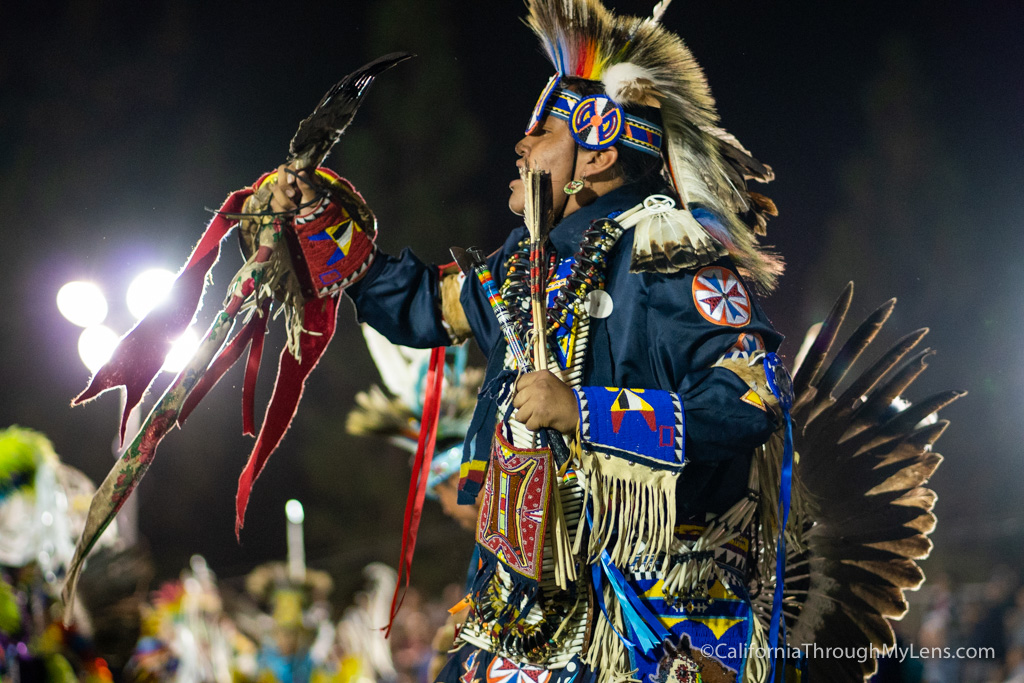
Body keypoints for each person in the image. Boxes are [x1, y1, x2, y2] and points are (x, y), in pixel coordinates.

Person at [265, 1, 788, 681]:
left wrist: (586, 410)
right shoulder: (522, 266)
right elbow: (424, 305)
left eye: (541, 132)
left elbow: (753, 396)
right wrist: (317, 221)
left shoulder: (669, 255)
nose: (521, 144)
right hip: (517, 606)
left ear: (598, 150)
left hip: (642, 616)